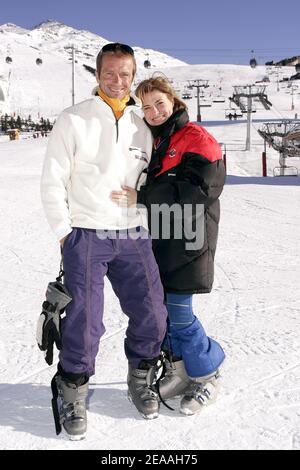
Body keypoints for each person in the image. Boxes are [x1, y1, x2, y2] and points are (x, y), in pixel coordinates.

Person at [40, 44, 168, 440]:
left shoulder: (142, 122)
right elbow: (53, 178)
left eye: (125, 74)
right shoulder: (74, 119)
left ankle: (142, 374)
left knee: (153, 312)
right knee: (84, 319)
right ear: (98, 75)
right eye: (109, 73)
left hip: (133, 233)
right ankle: (73, 388)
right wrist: (65, 232)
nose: (117, 81)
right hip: (86, 233)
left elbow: (154, 177)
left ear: (134, 75)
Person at [111, 76, 226, 416]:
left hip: (192, 239)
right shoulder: (160, 141)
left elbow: (200, 189)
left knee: (178, 312)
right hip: (163, 237)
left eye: (159, 103)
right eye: (146, 107)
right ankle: (178, 371)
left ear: (174, 101)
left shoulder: (196, 138)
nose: (153, 111)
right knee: (162, 309)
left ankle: (207, 372)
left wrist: (143, 196)